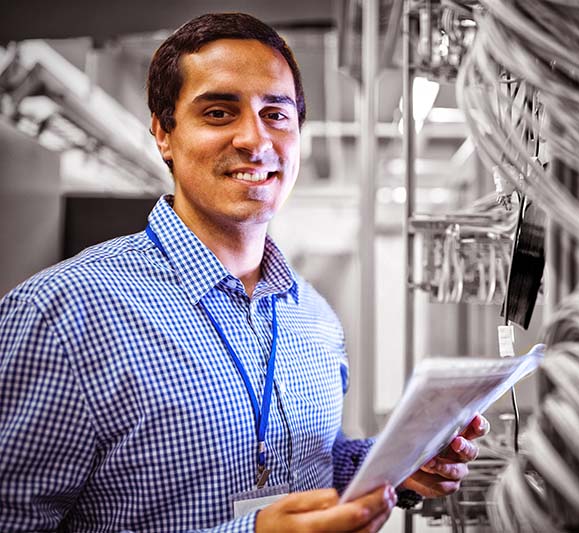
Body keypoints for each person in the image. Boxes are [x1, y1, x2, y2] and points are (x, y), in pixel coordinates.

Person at [0, 12, 488, 533]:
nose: (255, 140)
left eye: (276, 114)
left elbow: (313, 463)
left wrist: (395, 463)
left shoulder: (314, 318)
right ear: (164, 133)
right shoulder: (60, 315)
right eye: (217, 112)